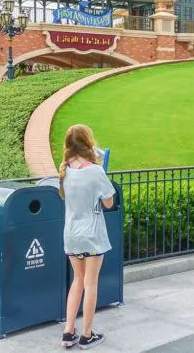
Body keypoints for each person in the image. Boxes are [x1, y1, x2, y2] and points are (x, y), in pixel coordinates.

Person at [58, 124, 114, 350]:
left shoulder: (64, 170)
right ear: (88, 141)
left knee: (77, 282)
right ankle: (86, 336)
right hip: (92, 235)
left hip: (72, 234)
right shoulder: (95, 171)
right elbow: (109, 202)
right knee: (91, 284)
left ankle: (68, 332)